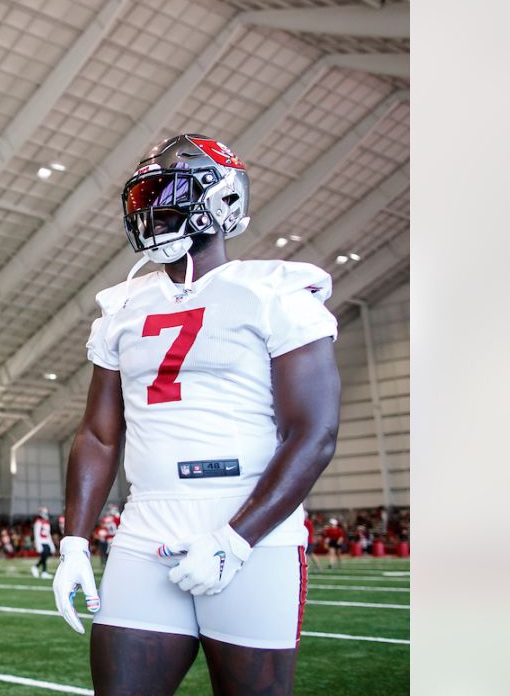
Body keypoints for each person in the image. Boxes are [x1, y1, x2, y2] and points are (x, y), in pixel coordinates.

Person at [52, 134, 341, 696]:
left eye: (169, 193)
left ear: (223, 199)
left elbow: (314, 432)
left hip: (251, 520)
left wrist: (236, 539)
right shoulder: (122, 307)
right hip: (146, 521)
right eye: (144, 198)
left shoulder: (275, 293)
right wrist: (74, 542)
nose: (152, 210)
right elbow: (99, 435)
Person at [32, 507, 56, 578]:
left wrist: (51, 545)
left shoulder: (47, 522)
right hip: (41, 541)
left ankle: (37, 568)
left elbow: (48, 534)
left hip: (46, 541)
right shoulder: (38, 522)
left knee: (45, 556)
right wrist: (38, 544)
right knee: (44, 555)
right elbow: (36, 534)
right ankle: (43, 571)